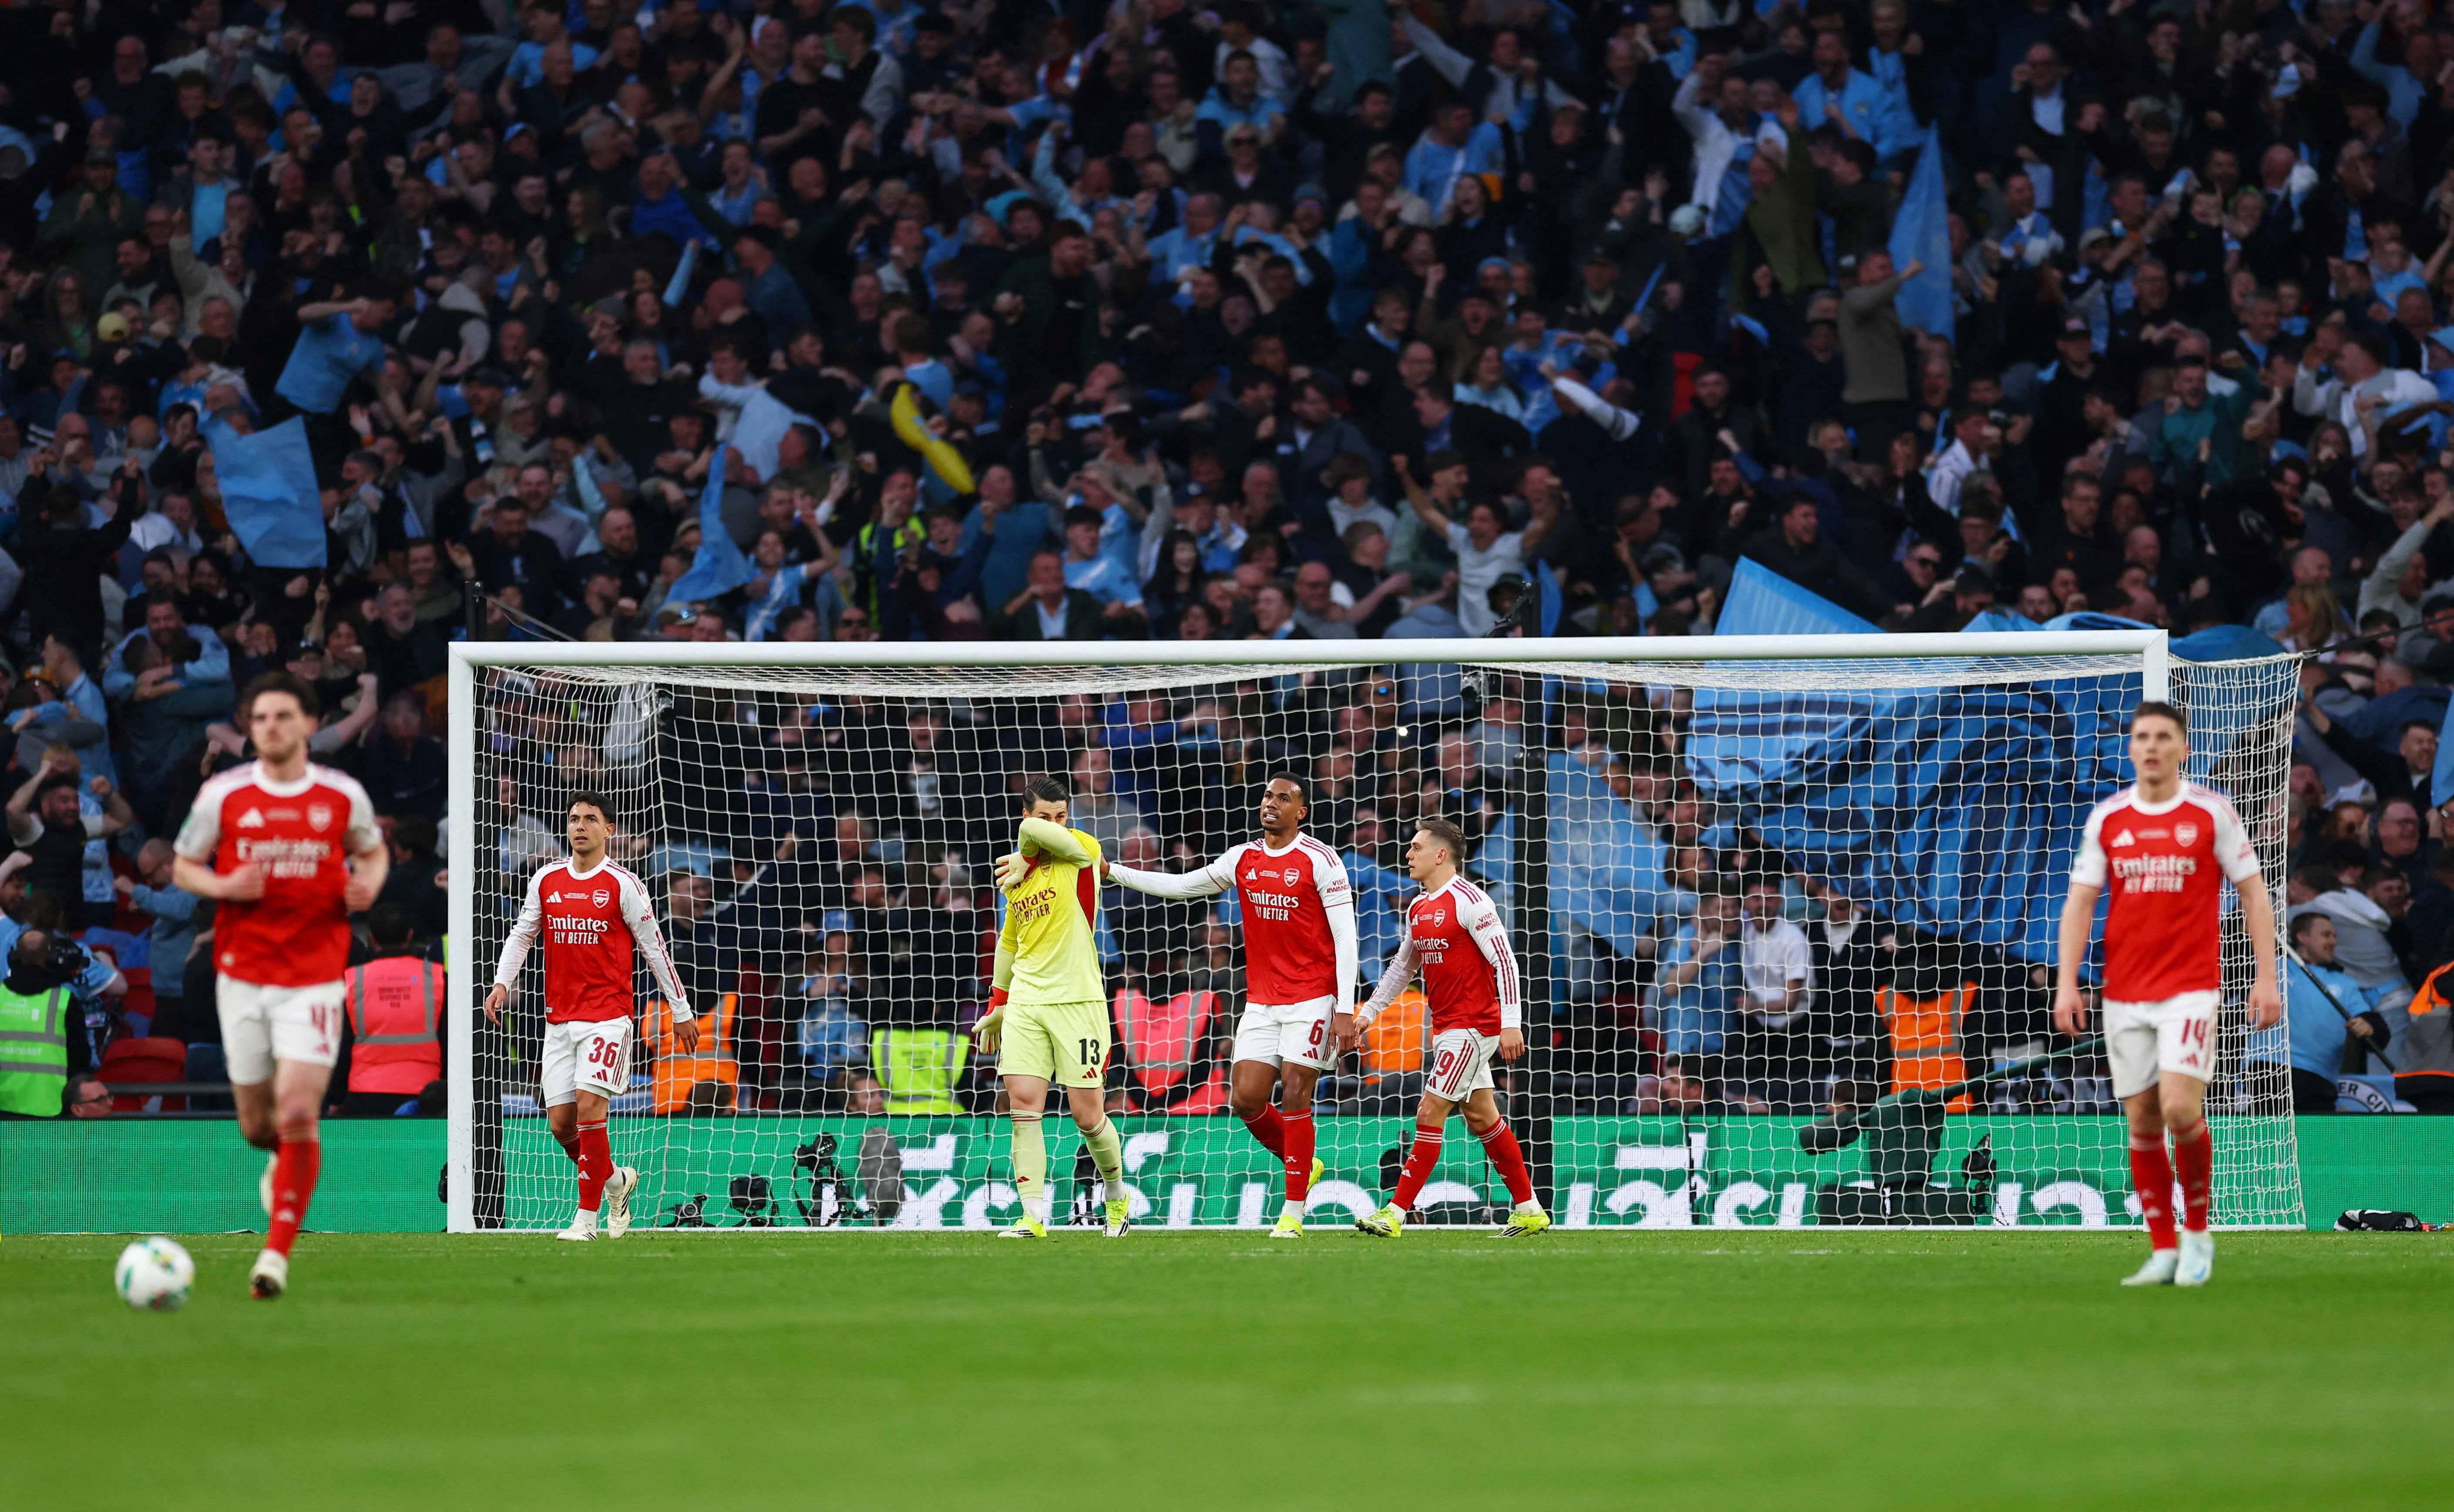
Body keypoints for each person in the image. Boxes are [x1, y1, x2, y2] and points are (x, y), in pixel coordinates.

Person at [171, 672, 389, 1300]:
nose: (270, 726)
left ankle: (274, 1256)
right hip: (241, 975)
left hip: (315, 978)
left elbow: (372, 853)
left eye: (283, 715)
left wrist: (368, 885)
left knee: (298, 1112)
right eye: (260, 717)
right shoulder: (224, 794)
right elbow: (185, 863)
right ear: (249, 726)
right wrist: (221, 887)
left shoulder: (341, 794)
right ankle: (279, 1160)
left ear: (307, 724)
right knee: (256, 1126)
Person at [2055, 702, 2280, 1288]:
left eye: (2163, 736)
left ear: (2183, 747)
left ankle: (2198, 1232)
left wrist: (2265, 976)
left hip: (2189, 988)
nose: (2151, 746)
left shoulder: (2210, 812)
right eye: (2141, 737)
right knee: (2142, 1120)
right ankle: (2161, 1249)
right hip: (2124, 991)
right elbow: (2080, 901)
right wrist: (2065, 981)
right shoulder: (2108, 818)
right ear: (2129, 748)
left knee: (2181, 1107)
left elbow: (2254, 894)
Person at [1101, 773, 1358, 1236]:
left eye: (1284, 799)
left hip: (1313, 997)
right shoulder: (1244, 858)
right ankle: (1304, 1162)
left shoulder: (1321, 860)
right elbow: (1181, 886)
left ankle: (1293, 1213)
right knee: (1245, 1099)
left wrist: (1345, 1009)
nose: (1272, 804)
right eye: (1267, 796)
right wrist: (1112, 872)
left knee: (1297, 1091)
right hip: (1262, 1002)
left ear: (1301, 812)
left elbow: (1346, 935)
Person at [484, 792, 695, 1241]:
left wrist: (680, 1011)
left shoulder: (624, 885)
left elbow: (655, 949)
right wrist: (502, 981)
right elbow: (523, 934)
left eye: (591, 819)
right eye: (574, 819)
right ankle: (617, 1181)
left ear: (609, 830)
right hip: (559, 1021)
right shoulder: (546, 879)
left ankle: (586, 1221)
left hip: (608, 1019)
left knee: (587, 1111)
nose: (580, 826)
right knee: (560, 1125)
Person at [1350, 817, 1548, 1238]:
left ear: (1441, 855)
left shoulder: (1472, 902)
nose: (1408, 855)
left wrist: (1511, 1023)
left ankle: (1395, 1213)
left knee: (1429, 1110)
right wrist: (1367, 1014)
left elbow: (1506, 962)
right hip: (1447, 1028)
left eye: (1416, 848)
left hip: (1475, 1027)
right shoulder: (1418, 907)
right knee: (1481, 1117)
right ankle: (1530, 1209)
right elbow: (1401, 970)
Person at [974, 776, 1130, 1239]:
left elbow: (1050, 841)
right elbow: (1009, 940)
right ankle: (1033, 1217)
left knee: (1087, 1116)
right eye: (1045, 817)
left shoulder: (1079, 848)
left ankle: (1117, 1195)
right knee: (1023, 1108)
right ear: (1027, 816)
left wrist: (1026, 852)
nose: (1056, 825)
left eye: (1062, 816)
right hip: (1027, 1001)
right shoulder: (1014, 877)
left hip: (1078, 1002)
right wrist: (999, 1002)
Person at [336, 904, 447, 1118]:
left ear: (371, 939)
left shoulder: (352, 981)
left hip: (365, 1095)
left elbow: (342, 1046)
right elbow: (449, 1040)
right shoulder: (438, 979)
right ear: (410, 935)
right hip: (426, 1094)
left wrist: (336, 1098)